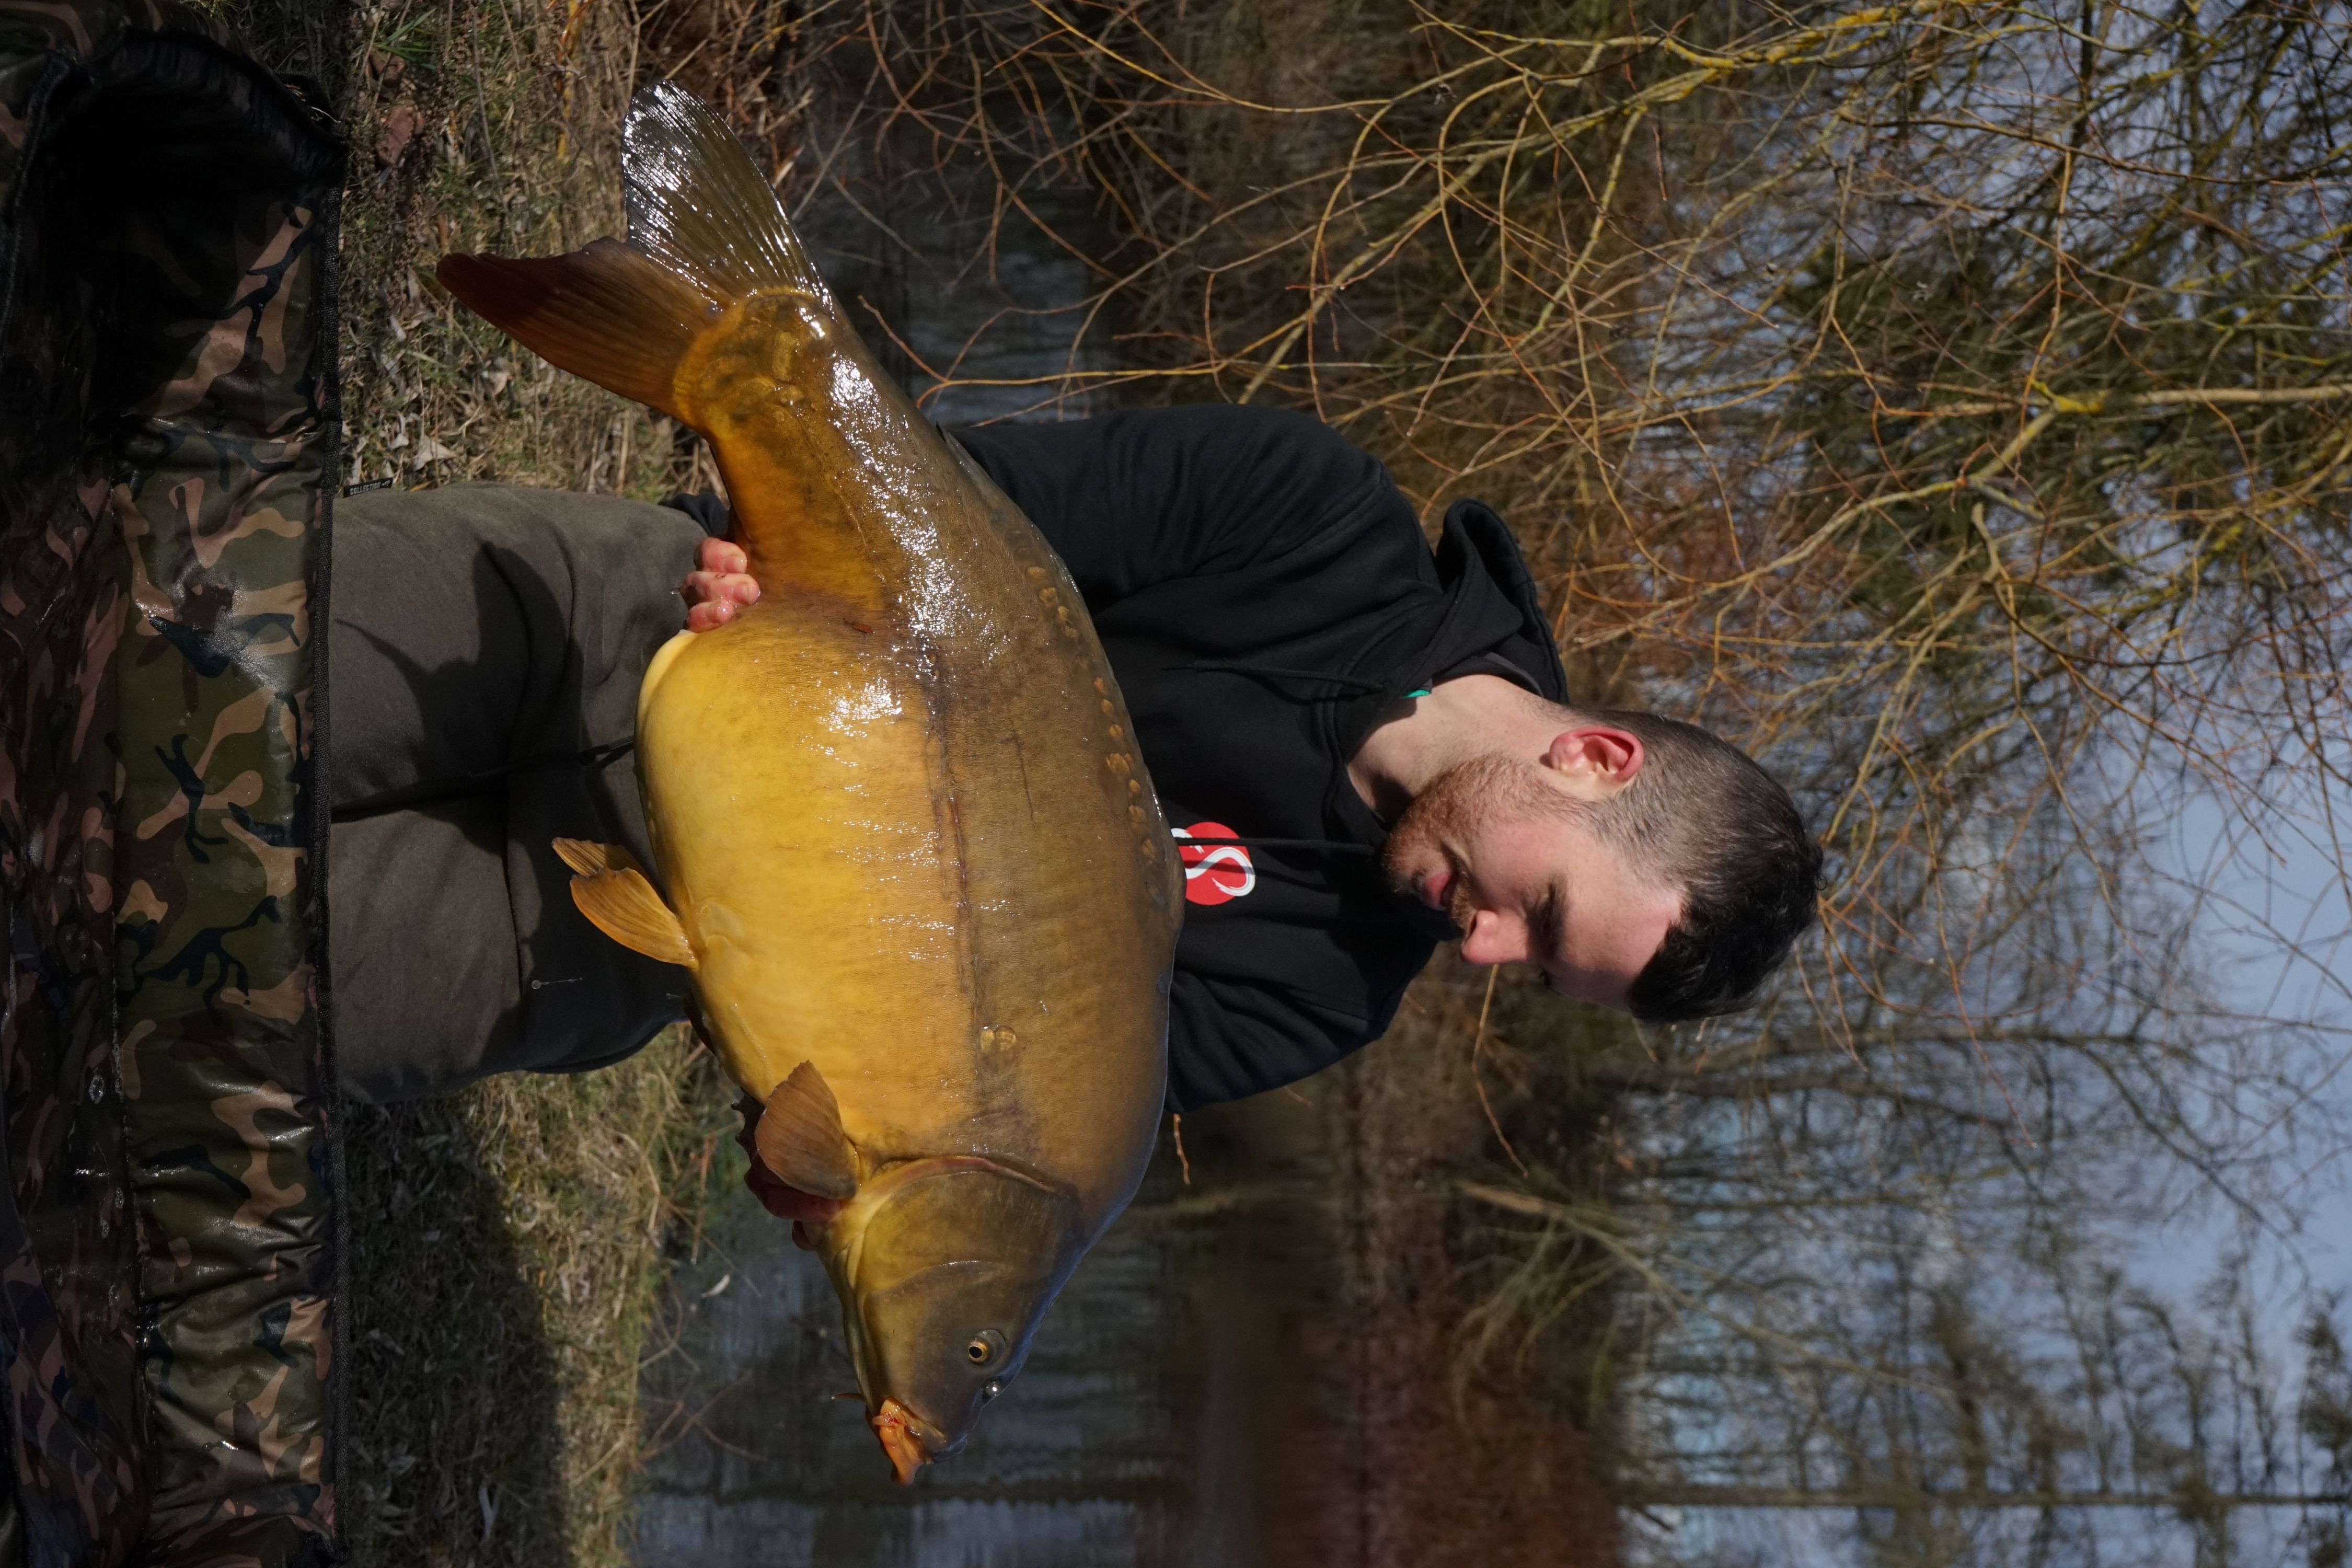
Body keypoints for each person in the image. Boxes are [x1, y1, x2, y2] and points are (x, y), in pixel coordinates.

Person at [330, 404, 1821, 1200]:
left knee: (164, 967)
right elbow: (943, 501)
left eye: (1535, 974)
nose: (1484, 955)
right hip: (653, 630)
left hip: (626, 929)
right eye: (1540, 911)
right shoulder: (1305, 512)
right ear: (1594, 761)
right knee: (164, 658)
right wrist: (783, 569)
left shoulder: (1316, 998)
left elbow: (996, 1125)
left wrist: (863, 1182)